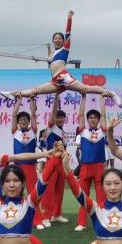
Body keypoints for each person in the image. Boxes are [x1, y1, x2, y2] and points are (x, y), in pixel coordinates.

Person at [0, 11, 121, 104]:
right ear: (53, 41)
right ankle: (14, 94)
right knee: (36, 90)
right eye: (55, 38)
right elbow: (50, 59)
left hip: (63, 78)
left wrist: (69, 18)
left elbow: (68, 33)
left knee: (86, 88)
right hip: (56, 81)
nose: (57, 40)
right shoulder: (52, 55)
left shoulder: (64, 49)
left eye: (59, 38)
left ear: (63, 41)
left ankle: (110, 93)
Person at [74, 95, 109, 232]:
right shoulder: (83, 131)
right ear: (88, 120)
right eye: (91, 117)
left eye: (95, 117)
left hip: (99, 166)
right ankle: (82, 222)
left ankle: (102, 221)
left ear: (98, 120)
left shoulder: (102, 131)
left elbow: (104, 115)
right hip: (85, 167)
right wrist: (83, 98)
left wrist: (101, 98)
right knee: (83, 195)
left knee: (101, 196)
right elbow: (80, 115)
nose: (93, 119)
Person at [37, 97, 69, 228]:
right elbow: (53, 112)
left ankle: (56, 214)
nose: (60, 119)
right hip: (52, 161)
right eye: (58, 117)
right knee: (49, 190)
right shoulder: (51, 127)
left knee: (60, 190)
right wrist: (56, 96)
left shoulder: (64, 132)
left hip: (61, 163)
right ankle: (45, 216)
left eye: (62, 118)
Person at [11, 96, 39, 189]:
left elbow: (33, 115)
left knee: (33, 190)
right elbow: (14, 115)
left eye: (25, 119)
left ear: (28, 121)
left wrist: (31, 99)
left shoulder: (33, 131)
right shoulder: (15, 131)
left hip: (30, 165)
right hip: (18, 165)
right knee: (17, 189)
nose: (23, 121)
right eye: (21, 120)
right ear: (18, 122)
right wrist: (19, 99)